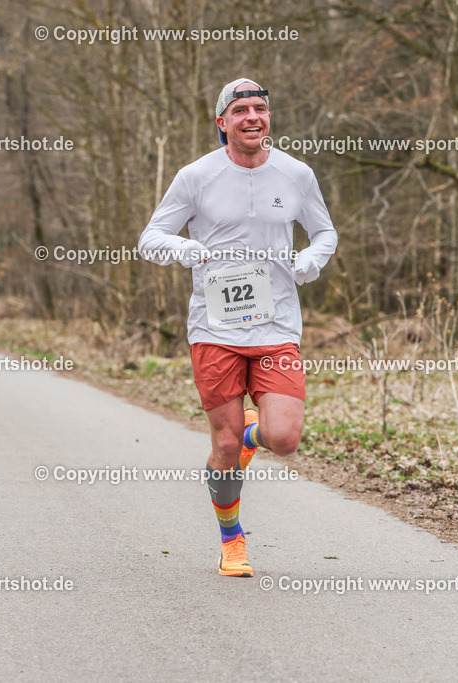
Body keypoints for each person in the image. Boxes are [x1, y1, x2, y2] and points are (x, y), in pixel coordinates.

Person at [138, 78, 338, 577]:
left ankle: (256, 435)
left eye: (261, 109)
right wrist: (186, 249)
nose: (253, 117)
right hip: (215, 329)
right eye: (241, 110)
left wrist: (310, 262)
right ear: (222, 122)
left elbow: (324, 231)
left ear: (269, 118)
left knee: (285, 438)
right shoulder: (195, 176)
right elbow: (151, 237)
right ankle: (232, 540)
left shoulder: (296, 174)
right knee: (224, 446)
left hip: (276, 326)